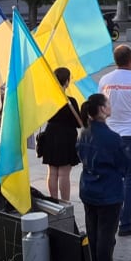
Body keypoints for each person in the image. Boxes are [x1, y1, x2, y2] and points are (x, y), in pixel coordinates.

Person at [98, 45, 131, 236]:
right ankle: (125, 222)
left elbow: (100, 109)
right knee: (130, 180)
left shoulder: (105, 80)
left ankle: (109, 220)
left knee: (112, 178)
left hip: (110, 135)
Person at [77, 93, 130, 261]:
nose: (110, 105)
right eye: (108, 103)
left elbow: (80, 155)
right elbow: (124, 163)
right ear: (101, 109)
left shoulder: (84, 133)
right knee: (106, 234)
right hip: (108, 191)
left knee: (93, 230)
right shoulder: (112, 138)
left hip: (88, 187)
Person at [38, 67, 82, 201]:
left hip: (51, 133)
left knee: (52, 172)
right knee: (64, 174)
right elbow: (78, 123)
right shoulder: (70, 101)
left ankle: (53, 199)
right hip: (66, 136)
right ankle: (64, 201)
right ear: (67, 82)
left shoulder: (49, 99)